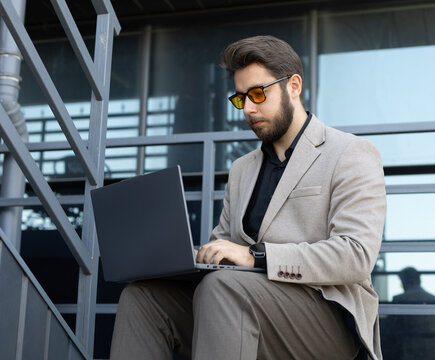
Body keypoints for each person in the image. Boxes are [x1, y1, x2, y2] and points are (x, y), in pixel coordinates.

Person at [110, 35, 386, 360]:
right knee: (142, 297)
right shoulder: (242, 168)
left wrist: (256, 257)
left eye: (258, 93)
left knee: (224, 288)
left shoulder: (350, 152)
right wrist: (191, 256)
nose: (249, 109)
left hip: (325, 317)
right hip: (241, 298)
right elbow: (225, 246)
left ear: (294, 86)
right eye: (241, 99)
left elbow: (354, 256)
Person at [381, 267, 435, 360]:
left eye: (401, 283)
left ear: (405, 281)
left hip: (410, 352)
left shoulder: (399, 299)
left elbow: (391, 328)